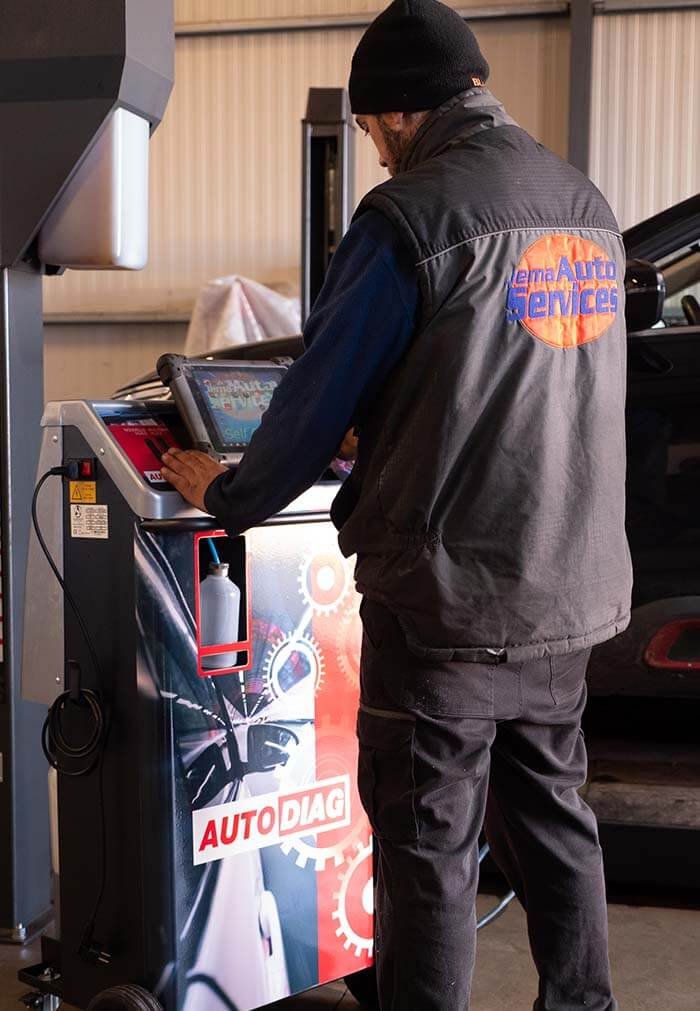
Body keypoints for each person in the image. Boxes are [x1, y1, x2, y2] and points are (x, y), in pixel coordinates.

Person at [161, 2, 632, 1008]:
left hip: (447, 598)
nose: (374, 155)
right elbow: (519, 382)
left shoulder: (408, 217)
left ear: (398, 114)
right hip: (567, 587)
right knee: (552, 818)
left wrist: (230, 494)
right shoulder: (581, 203)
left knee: (426, 846)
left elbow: (310, 400)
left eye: (374, 132)